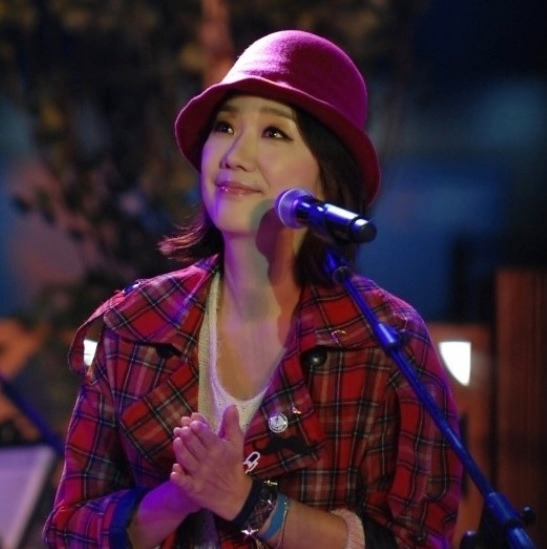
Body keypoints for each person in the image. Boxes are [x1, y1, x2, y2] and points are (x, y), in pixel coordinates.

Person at [43, 30, 462, 548]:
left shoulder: (384, 339)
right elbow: (69, 531)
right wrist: (177, 498)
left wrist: (248, 502)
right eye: (225, 127)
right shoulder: (135, 323)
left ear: (327, 176)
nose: (235, 154)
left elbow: (416, 539)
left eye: (275, 133)